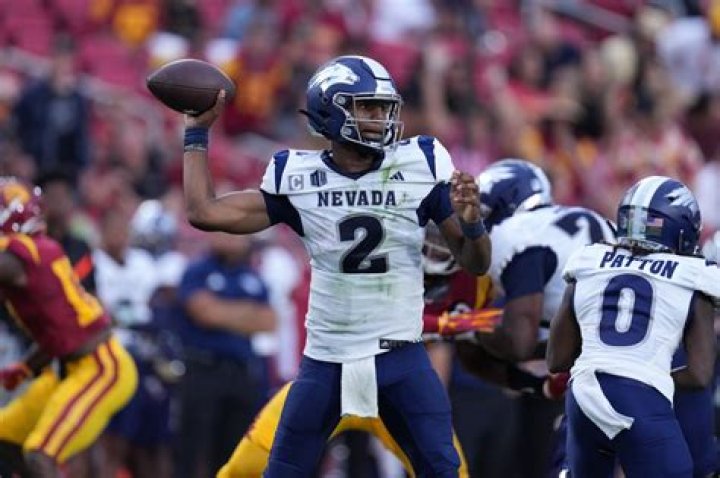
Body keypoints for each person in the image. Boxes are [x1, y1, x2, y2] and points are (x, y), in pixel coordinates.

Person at [181, 55, 491, 476]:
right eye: (368, 107)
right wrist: (197, 133)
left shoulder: (419, 164)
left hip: (400, 355)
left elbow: (475, 262)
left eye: (384, 108)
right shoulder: (298, 176)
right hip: (328, 358)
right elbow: (204, 212)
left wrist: (473, 225)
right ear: (331, 111)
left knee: (443, 471)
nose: (380, 118)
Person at [216, 223, 501, 478]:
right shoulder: (366, 262)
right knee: (245, 468)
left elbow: (444, 341)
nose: (435, 250)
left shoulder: (464, 282)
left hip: (394, 389)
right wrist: (451, 322)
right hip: (332, 380)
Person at [547, 175, 718, 477]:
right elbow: (699, 374)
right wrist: (643, 369)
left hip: (583, 394)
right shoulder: (694, 274)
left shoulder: (589, 259)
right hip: (640, 397)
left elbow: (556, 359)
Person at [0, 177, 138, 477]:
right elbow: (59, 332)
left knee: (40, 455)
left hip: (100, 367)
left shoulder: (22, 255)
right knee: (5, 437)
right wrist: (25, 368)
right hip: (68, 368)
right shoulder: (37, 249)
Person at [174, 230, 276, 478]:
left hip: (241, 373)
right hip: (203, 370)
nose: (229, 237)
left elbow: (268, 321)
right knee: (194, 451)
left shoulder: (253, 277)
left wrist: (221, 311)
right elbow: (204, 313)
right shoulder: (197, 270)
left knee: (234, 453)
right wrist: (245, 314)